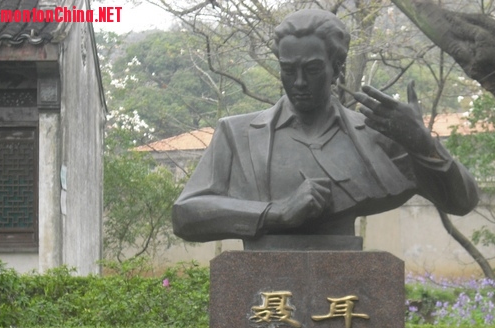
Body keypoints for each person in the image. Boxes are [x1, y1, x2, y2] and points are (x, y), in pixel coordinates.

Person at [172, 9, 478, 244]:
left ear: (337, 68)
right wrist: (275, 213)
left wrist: (423, 144)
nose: (299, 82)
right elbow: (185, 215)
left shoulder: (378, 135)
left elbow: (461, 202)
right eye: (288, 70)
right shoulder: (236, 135)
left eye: (313, 69)